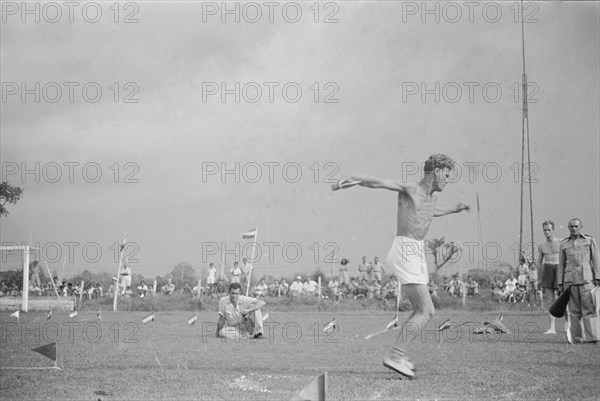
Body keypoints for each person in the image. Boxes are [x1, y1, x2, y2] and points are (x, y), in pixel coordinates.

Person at [333, 153, 469, 378]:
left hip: (416, 251)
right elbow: (380, 182)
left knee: (421, 310)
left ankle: (399, 353)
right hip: (406, 250)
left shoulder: (431, 198)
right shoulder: (412, 189)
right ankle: (395, 355)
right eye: (447, 174)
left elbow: (429, 212)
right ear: (436, 172)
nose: (448, 179)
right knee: (427, 311)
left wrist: (452, 210)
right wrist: (350, 178)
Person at [557, 218, 599, 343]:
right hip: (570, 282)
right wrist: (560, 283)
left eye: (576, 226)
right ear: (568, 227)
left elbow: (596, 260)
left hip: (587, 281)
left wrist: (598, 277)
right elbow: (561, 265)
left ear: (581, 226)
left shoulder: (589, 240)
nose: (574, 229)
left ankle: (593, 338)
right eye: (571, 226)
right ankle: (577, 338)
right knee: (574, 312)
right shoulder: (564, 244)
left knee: (590, 310)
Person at [537, 220, 562, 334]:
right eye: (545, 230)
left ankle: (568, 325)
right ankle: (552, 328)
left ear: (553, 230)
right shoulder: (542, 246)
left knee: (562, 299)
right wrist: (538, 278)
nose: (547, 232)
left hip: (559, 270)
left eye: (549, 230)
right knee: (550, 300)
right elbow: (539, 262)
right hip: (547, 270)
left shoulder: (561, 242)